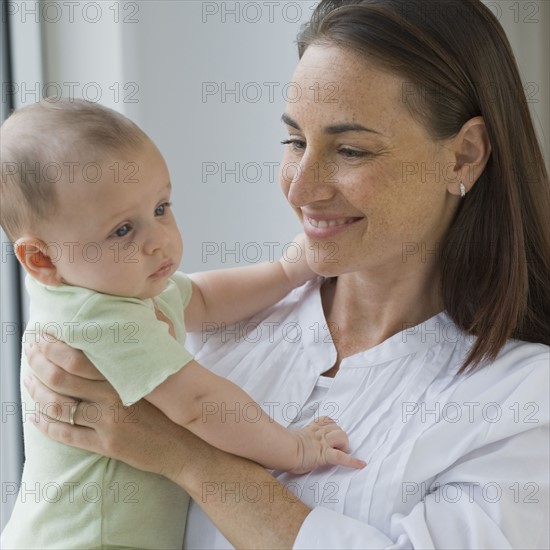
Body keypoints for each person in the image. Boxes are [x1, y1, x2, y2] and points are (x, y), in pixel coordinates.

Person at [14, 0, 550, 548]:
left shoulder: (523, 403)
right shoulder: (209, 328)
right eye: (294, 141)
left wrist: (185, 456)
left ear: (463, 156)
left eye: (350, 149)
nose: (300, 187)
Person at [0, 99, 365, 549]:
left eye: (160, 208)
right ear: (41, 259)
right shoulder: (99, 317)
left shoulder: (107, 286)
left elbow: (206, 298)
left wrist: (286, 272)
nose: (158, 241)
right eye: (121, 230)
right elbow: (196, 402)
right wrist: (294, 449)